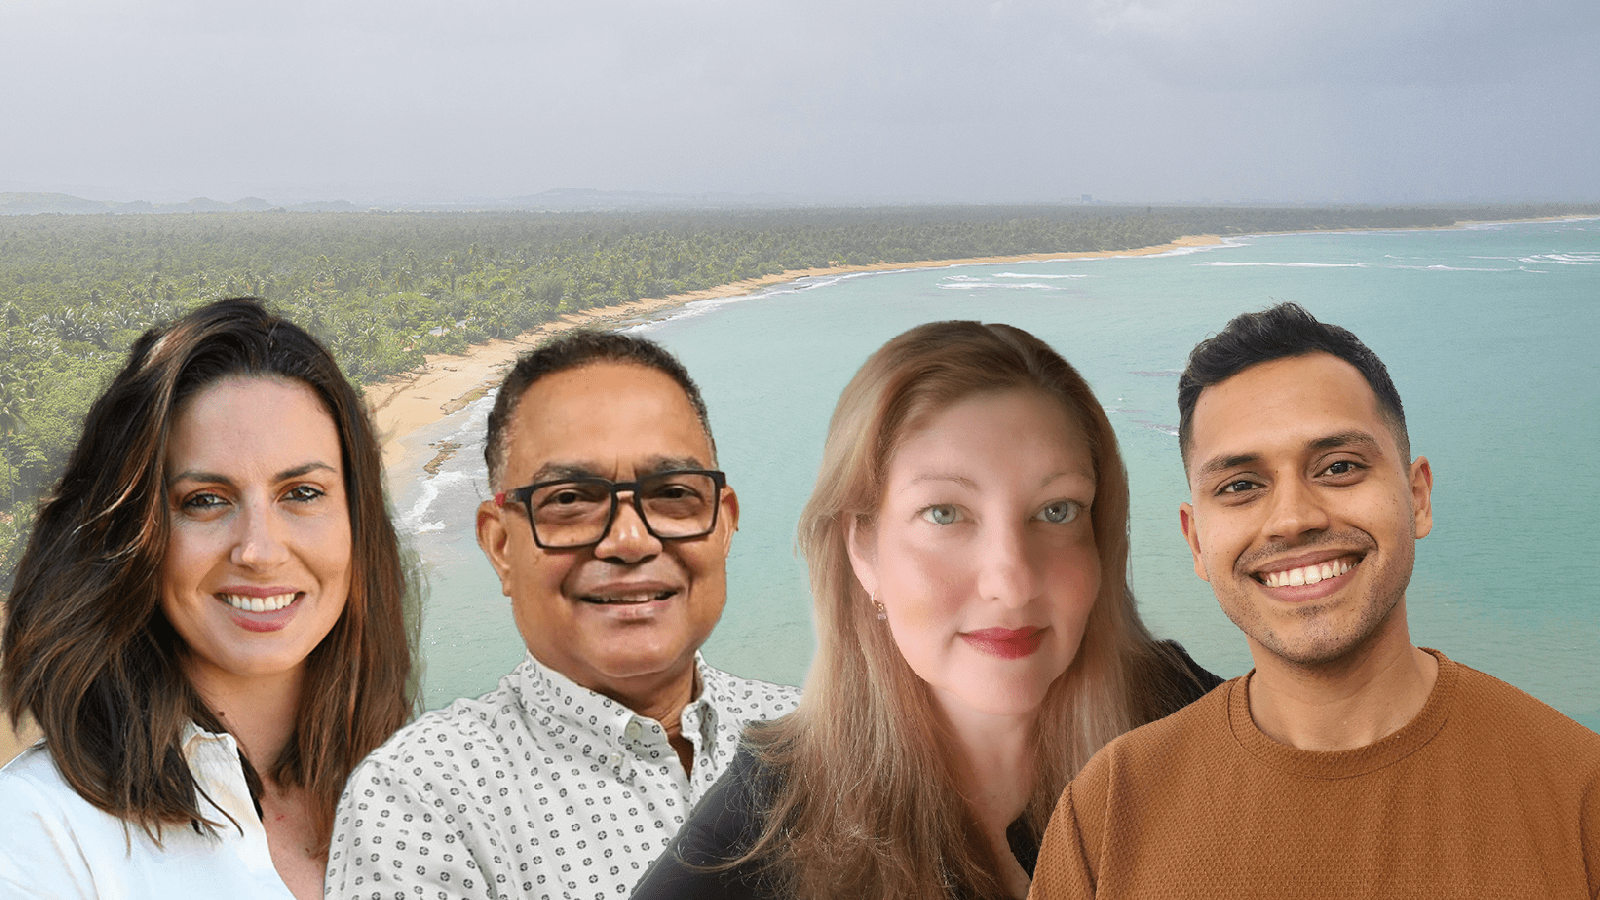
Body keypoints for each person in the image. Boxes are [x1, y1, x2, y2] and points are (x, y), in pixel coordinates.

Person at [631, 321, 1221, 900]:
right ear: (862, 547)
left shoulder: (1200, 722)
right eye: (944, 513)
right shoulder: (758, 833)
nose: (1010, 583)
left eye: (1058, 510)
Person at [1029, 302, 1600, 898]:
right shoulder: (1110, 811)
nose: (1293, 519)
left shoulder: (1580, 790)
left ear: (1418, 497)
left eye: (1339, 467)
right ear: (1197, 541)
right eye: (1241, 486)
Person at [325, 330, 800, 900]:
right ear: (500, 545)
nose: (630, 540)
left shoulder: (816, 741)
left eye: (673, 493)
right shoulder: (423, 796)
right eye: (570, 500)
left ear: (723, 524)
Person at [0, 298, 417, 899]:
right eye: (205, 499)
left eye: (301, 492)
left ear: (357, 522)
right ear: (133, 537)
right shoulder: (42, 835)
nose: (260, 550)